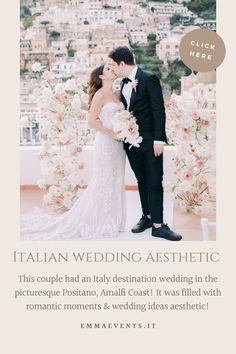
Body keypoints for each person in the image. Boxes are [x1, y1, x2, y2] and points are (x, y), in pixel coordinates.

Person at [21, 64, 126, 240]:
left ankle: (114, 219)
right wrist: (112, 133)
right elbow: (91, 121)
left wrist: (125, 129)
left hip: (119, 144)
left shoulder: (117, 93)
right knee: (103, 179)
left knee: (117, 179)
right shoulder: (100, 95)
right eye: (108, 69)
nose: (111, 69)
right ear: (101, 77)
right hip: (106, 142)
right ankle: (99, 220)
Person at [108, 46, 182, 241]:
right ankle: (147, 217)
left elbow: (159, 110)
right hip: (131, 143)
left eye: (114, 65)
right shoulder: (122, 84)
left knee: (154, 181)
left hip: (151, 142)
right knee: (142, 180)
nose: (112, 69)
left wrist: (159, 140)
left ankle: (159, 225)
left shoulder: (149, 79)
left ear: (122, 63)